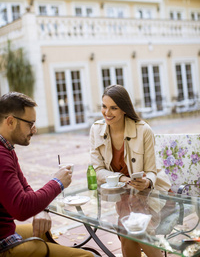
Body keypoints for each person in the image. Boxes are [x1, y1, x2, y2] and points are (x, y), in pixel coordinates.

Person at [0, 92, 94, 257]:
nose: (34, 130)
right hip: (4, 246)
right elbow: (21, 209)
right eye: (30, 123)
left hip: (6, 233)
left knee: (43, 231)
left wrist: (41, 209)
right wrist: (57, 182)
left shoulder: (7, 149)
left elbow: (26, 187)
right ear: (11, 121)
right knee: (87, 256)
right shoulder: (1, 156)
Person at [90, 84, 171, 257]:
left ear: (124, 109)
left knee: (133, 229)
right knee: (129, 229)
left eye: (114, 108)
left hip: (151, 196)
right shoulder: (96, 130)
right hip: (125, 198)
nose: (107, 112)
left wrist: (147, 181)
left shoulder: (143, 130)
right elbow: (98, 170)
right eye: (104, 106)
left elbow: (151, 171)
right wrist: (123, 179)